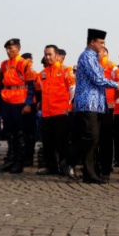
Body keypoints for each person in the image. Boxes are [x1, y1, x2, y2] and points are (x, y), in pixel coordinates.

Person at [73, 29, 119, 184]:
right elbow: (98, 79)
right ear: (92, 42)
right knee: (91, 136)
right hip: (87, 103)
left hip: (96, 105)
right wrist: (117, 85)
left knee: (94, 139)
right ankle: (71, 161)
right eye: (101, 43)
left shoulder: (94, 58)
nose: (103, 46)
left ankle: (89, 173)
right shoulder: (87, 57)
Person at [0, 39, 36, 174]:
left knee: (20, 134)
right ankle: (10, 161)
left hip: (20, 103)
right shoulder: (4, 64)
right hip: (7, 102)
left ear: (18, 48)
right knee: (9, 133)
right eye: (7, 49)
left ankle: (19, 163)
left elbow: (31, 85)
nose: (8, 51)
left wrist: (28, 104)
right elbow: (0, 85)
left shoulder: (24, 64)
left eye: (11, 48)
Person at [37, 45, 76, 177]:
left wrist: (68, 106)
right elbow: (40, 91)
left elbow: (73, 90)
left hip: (61, 112)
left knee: (62, 142)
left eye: (50, 54)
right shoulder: (43, 73)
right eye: (45, 54)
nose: (47, 57)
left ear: (57, 56)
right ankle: (51, 167)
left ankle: (65, 167)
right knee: (48, 142)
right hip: (47, 112)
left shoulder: (66, 70)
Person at [97, 47, 119, 179]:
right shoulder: (91, 66)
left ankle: (105, 170)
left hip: (107, 107)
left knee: (106, 140)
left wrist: (115, 99)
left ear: (104, 52)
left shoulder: (112, 67)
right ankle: (93, 169)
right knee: (93, 139)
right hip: (93, 107)